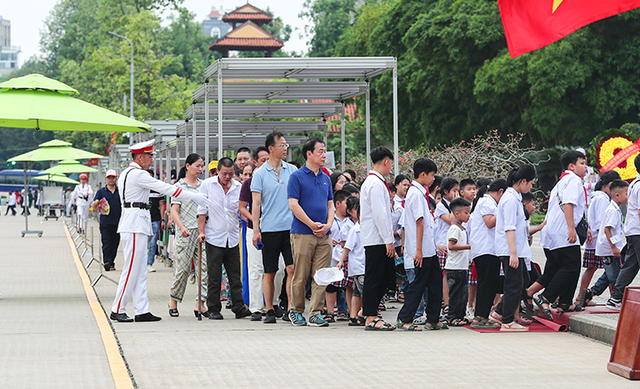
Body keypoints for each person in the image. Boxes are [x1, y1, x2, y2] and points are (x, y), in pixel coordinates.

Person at [110, 139, 210, 323]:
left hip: (136, 222)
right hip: (134, 223)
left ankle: (141, 309)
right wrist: (195, 197)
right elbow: (167, 188)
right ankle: (118, 308)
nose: (151, 159)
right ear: (140, 158)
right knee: (131, 268)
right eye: (149, 156)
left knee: (139, 270)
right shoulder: (137, 174)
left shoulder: (129, 173)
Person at [529, 150, 590, 319]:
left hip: (553, 232)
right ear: (572, 166)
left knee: (559, 267)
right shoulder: (573, 180)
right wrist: (571, 228)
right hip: (563, 231)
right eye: (582, 163)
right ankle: (546, 297)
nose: (586, 167)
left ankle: (564, 302)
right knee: (571, 266)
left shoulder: (561, 181)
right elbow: (569, 204)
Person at [196, 157, 251, 320]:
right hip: (214, 237)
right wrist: (201, 231)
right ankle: (213, 307)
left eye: (231, 174)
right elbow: (202, 211)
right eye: (224, 173)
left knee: (235, 275)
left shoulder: (238, 187)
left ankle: (238, 306)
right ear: (218, 171)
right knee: (214, 275)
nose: (227, 177)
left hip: (232, 236)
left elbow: (240, 210)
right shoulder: (207, 185)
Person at [287, 138, 334, 327]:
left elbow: (330, 204)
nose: (324, 155)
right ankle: (296, 310)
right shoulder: (297, 177)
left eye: (324, 151)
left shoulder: (325, 177)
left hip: (324, 234)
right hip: (303, 233)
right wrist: (312, 224)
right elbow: (293, 204)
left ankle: (316, 312)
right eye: (320, 151)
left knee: (322, 274)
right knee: (301, 274)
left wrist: (328, 224)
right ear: (309, 154)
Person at [251, 132, 297, 324]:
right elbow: (255, 204)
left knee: (292, 269)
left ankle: (290, 307)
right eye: (281, 145)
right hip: (269, 228)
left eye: (286, 145)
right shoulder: (259, 173)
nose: (285, 148)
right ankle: (269, 308)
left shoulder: (292, 170)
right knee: (269, 271)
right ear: (271, 148)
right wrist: (256, 229)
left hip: (291, 228)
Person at [395, 158, 446, 331]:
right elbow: (419, 222)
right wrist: (418, 250)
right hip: (421, 249)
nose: (433, 179)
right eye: (431, 175)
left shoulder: (421, 193)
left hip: (428, 249)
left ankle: (432, 318)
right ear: (422, 174)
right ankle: (404, 318)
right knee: (418, 284)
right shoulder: (415, 194)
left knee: (435, 282)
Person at [239, 146, 284, 321]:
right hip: (255, 230)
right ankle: (256, 307)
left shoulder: (281, 178)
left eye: (269, 159)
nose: (267, 162)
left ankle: (273, 302)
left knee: (278, 269)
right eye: (263, 160)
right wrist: (256, 222)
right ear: (256, 162)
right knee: (256, 269)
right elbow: (242, 207)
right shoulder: (249, 183)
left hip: (275, 230)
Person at [494, 165, 537, 331]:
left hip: (516, 248)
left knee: (523, 281)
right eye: (531, 183)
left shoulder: (515, 197)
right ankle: (507, 321)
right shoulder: (511, 199)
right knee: (514, 284)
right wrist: (513, 253)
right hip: (511, 249)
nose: (531, 187)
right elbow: (509, 227)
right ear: (523, 181)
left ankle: (499, 312)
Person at [168, 154, 209, 318]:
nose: (200, 169)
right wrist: (181, 227)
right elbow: (174, 210)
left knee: (204, 267)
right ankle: (174, 301)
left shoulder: (204, 186)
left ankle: (201, 302)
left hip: (202, 231)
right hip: (185, 231)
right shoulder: (178, 186)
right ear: (188, 166)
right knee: (182, 269)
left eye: (202, 166)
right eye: (197, 166)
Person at [360, 146, 396, 331]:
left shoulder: (375, 182)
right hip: (377, 238)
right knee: (375, 277)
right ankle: (371, 316)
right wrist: (388, 240)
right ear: (386, 162)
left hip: (378, 237)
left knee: (387, 274)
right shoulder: (375, 183)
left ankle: (367, 309)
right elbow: (380, 214)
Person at [581, 179, 627, 308]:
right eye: (626, 194)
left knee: (610, 274)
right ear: (617, 195)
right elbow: (607, 229)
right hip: (608, 249)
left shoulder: (615, 208)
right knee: (613, 275)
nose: (628, 197)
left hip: (612, 248)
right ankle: (615, 300)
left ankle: (591, 293)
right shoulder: (612, 209)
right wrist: (613, 247)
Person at [468, 179, 506, 329]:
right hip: (486, 249)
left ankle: (482, 315)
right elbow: (489, 222)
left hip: (487, 249)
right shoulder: (487, 202)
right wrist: (504, 210)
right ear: (500, 192)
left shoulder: (486, 201)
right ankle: (480, 317)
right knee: (487, 284)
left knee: (489, 284)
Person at [608, 155, 640, 310]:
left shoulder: (635, 183)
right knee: (630, 266)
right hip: (638, 232)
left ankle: (615, 298)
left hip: (634, 231)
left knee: (630, 266)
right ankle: (616, 297)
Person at [325, 189, 354, 322]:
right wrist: (328, 238)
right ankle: (330, 311)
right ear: (337, 204)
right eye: (345, 203)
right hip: (332, 255)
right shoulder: (329, 218)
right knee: (331, 284)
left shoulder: (351, 220)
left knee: (348, 285)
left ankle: (347, 310)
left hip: (348, 257)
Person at [338, 196, 366, 326]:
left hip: (360, 267)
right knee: (365, 291)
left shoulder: (361, 229)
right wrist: (340, 261)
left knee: (357, 292)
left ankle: (353, 316)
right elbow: (347, 247)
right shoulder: (356, 230)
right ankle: (364, 313)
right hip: (359, 267)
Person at [446, 198, 472, 326]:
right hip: (454, 267)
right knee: (456, 293)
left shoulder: (462, 228)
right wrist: (468, 246)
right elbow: (451, 246)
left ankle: (460, 315)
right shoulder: (454, 229)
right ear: (457, 213)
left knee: (463, 293)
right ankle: (452, 316)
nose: (468, 215)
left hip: (462, 266)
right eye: (466, 212)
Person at [434, 178, 459, 313]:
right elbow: (452, 220)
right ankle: (446, 302)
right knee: (445, 274)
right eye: (454, 191)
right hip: (443, 244)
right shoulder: (441, 206)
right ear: (445, 191)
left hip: (454, 243)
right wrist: (456, 204)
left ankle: (455, 301)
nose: (456, 193)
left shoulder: (453, 205)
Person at [92, 169, 122, 271]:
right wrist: (96, 203)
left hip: (118, 222)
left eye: (113, 178)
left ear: (116, 179)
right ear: (106, 179)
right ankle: (107, 262)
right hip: (105, 221)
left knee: (115, 243)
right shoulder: (101, 192)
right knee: (106, 242)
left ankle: (111, 262)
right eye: (109, 178)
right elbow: (93, 204)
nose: (111, 180)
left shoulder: (120, 191)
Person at [146, 169, 165, 273]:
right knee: (143, 243)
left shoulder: (157, 189)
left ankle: (149, 263)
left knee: (153, 243)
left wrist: (162, 219)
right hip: (143, 220)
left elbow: (161, 205)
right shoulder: (140, 189)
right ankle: (142, 264)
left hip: (155, 219)